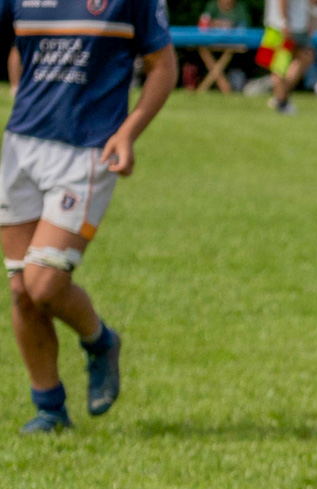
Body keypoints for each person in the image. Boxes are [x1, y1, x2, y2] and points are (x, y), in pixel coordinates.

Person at [2, 0, 174, 435]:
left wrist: (127, 132)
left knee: (44, 282)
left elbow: (163, 66)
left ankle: (101, 341)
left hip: (89, 150)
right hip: (21, 147)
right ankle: (49, 407)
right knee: (21, 288)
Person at [266, 0, 316, 115]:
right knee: (279, 66)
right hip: (283, 26)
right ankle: (282, 102)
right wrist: (284, 22)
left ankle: (280, 96)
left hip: (284, 25)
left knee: (305, 57)